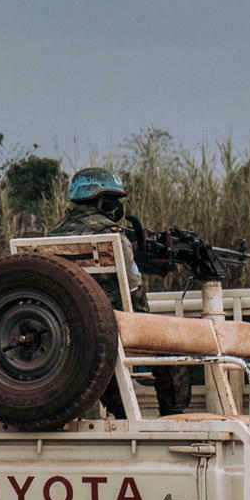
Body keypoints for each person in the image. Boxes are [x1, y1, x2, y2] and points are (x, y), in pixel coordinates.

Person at [50, 167, 190, 415]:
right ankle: (173, 414)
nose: (116, 206)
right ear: (101, 200)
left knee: (103, 351)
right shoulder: (113, 237)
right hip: (114, 327)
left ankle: (122, 413)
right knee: (173, 342)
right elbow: (134, 290)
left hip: (67, 327)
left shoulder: (50, 238)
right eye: (113, 200)